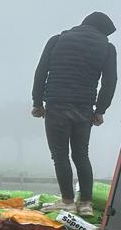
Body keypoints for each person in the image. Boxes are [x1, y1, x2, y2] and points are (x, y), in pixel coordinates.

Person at [32, 12, 117, 216]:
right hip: (84, 107)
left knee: (60, 155)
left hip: (57, 104)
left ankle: (68, 201)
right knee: (81, 154)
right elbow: (110, 81)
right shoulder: (106, 48)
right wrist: (100, 110)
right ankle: (86, 203)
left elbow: (41, 72)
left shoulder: (57, 40)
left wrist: (37, 102)